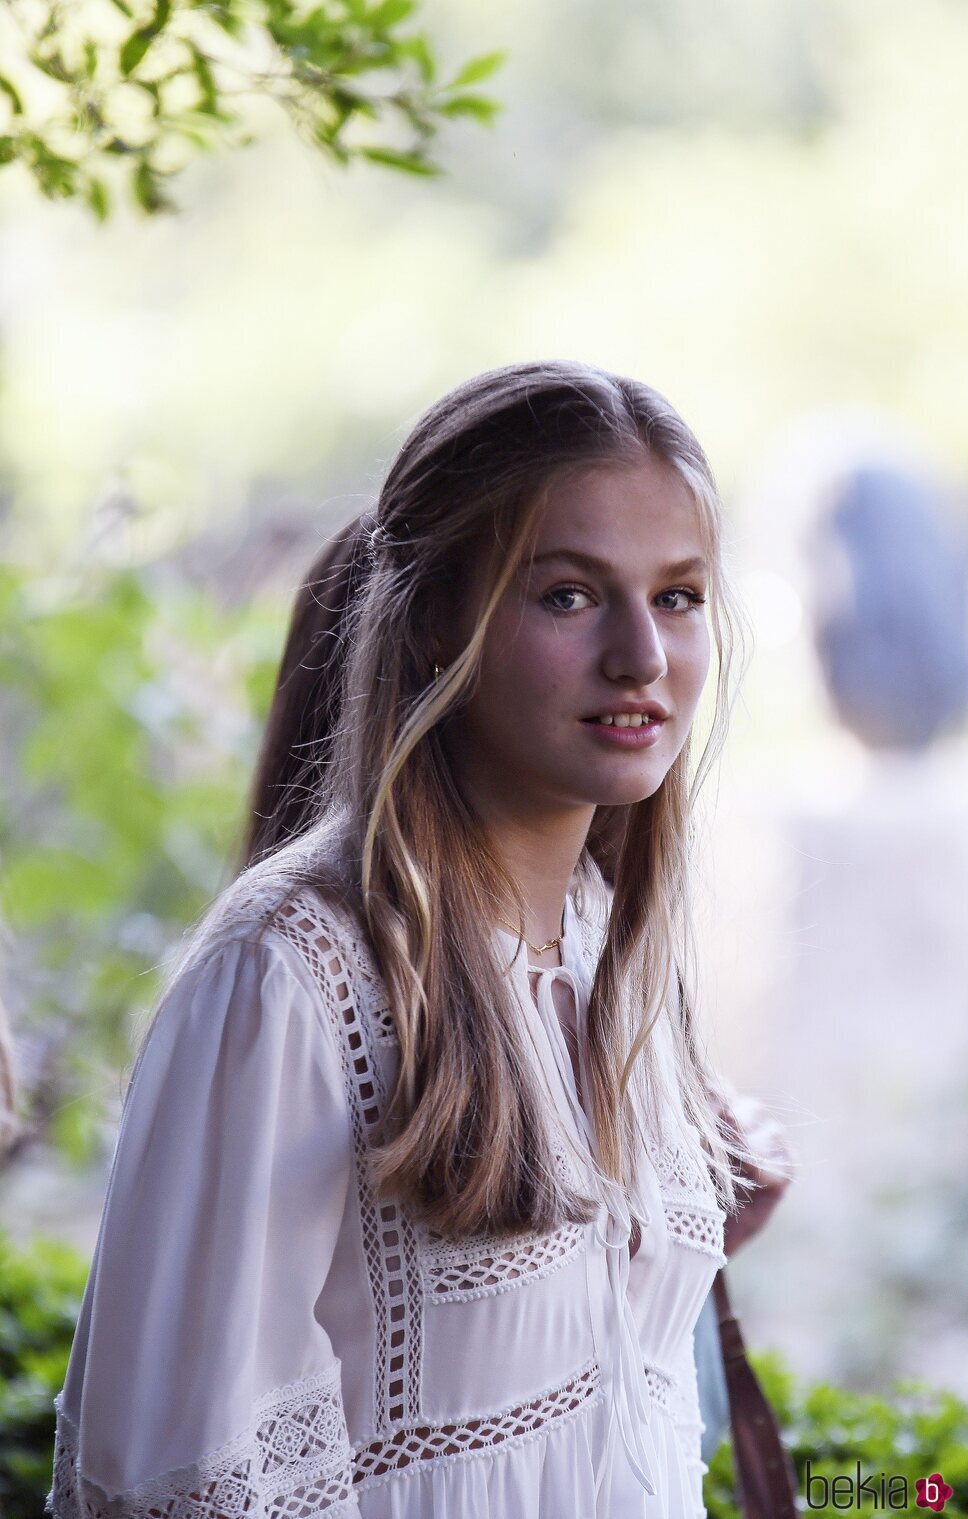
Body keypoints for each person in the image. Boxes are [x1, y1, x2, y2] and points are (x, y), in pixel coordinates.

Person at [50, 360, 762, 1519]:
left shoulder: (601, 937)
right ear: (436, 618)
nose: (642, 657)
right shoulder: (287, 977)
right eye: (568, 595)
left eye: (677, 596)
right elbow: (173, 1483)